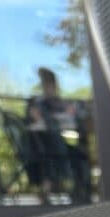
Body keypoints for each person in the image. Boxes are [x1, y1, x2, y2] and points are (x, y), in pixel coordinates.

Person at [25, 67, 92, 202]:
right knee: (73, 155)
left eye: (51, 84)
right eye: (47, 83)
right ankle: (76, 191)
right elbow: (35, 122)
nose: (50, 87)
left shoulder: (55, 102)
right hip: (42, 147)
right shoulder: (37, 103)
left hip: (53, 146)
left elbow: (71, 111)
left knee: (78, 153)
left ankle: (79, 191)